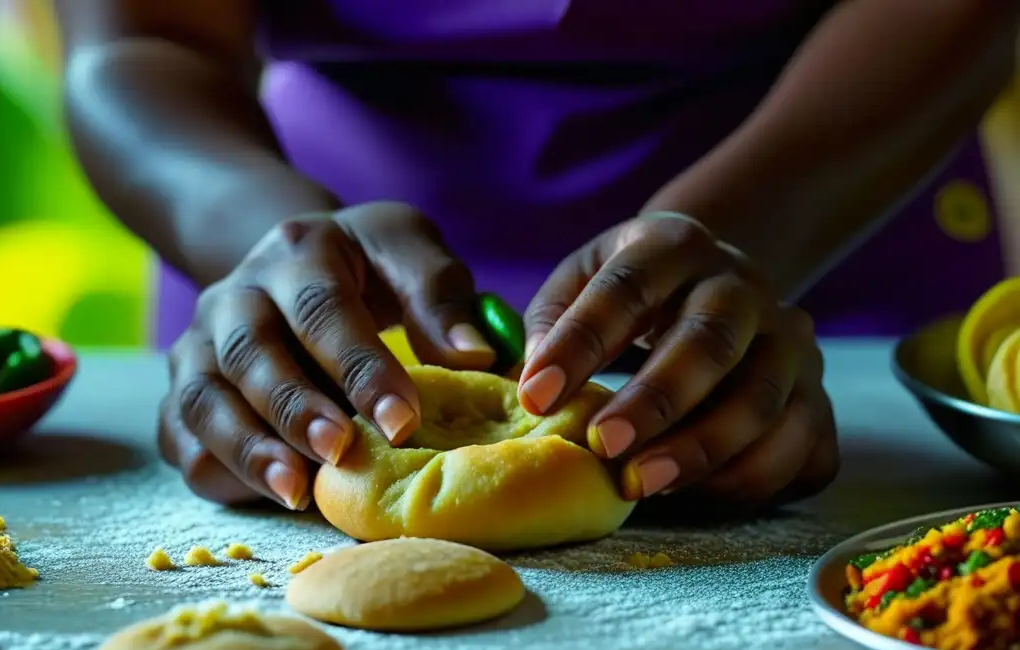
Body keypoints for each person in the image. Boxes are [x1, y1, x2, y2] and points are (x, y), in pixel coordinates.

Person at [55, 1, 1018, 513]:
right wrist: (260, 231)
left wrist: (742, 244)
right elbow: (138, 39)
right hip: (295, 286)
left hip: (813, 235)